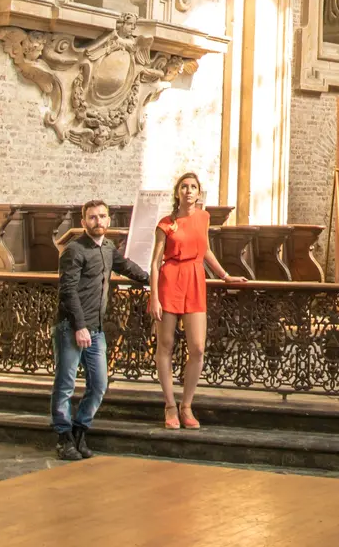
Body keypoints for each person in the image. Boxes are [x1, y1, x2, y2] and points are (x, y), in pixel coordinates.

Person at [52, 199, 149, 461]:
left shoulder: (107, 248)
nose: (98, 221)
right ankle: (63, 438)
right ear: (83, 222)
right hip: (71, 327)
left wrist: (153, 280)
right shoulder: (74, 250)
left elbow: (126, 267)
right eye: (92, 217)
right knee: (65, 384)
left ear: (109, 220)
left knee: (99, 384)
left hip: (95, 330)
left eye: (102, 217)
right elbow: (67, 291)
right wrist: (79, 327)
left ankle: (80, 430)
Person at [148, 172, 244, 430]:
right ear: (177, 192)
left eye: (193, 187)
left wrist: (225, 276)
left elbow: (206, 251)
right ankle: (169, 405)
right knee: (165, 346)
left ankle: (186, 405)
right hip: (170, 280)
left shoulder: (203, 217)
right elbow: (156, 263)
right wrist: (154, 297)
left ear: (199, 193)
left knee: (198, 347)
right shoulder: (166, 224)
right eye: (184, 187)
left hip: (194, 280)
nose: (189, 191)